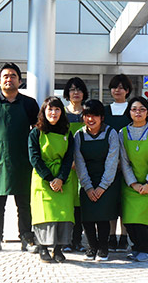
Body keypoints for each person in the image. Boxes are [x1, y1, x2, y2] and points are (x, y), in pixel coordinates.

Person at [0, 62, 39, 254]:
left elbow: (37, 129)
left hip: (22, 160)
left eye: (13, 76)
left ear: (20, 81)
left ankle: (27, 238)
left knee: (24, 203)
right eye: (5, 76)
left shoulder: (29, 103)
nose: (9, 79)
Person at [28, 96, 75, 263]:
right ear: (44, 112)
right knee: (43, 214)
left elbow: (69, 157)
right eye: (50, 109)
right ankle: (42, 247)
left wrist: (61, 178)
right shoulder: (36, 132)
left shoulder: (67, 133)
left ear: (61, 112)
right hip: (43, 178)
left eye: (57, 109)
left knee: (64, 214)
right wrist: (49, 178)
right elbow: (34, 158)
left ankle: (58, 249)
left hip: (63, 178)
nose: (53, 113)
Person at [74, 99, 120, 261]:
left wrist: (102, 187)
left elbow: (112, 162)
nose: (90, 119)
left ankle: (103, 247)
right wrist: (87, 187)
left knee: (102, 216)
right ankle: (92, 247)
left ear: (102, 117)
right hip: (87, 182)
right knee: (87, 217)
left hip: (107, 182)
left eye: (94, 115)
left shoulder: (111, 133)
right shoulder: (78, 135)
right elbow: (79, 163)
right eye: (86, 115)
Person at [119, 96, 148, 262]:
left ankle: (146, 249)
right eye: (134, 109)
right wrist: (133, 183)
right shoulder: (122, 133)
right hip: (130, 183)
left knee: (141, 219)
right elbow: (124, 161)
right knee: (129, 219)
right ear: (129, 112)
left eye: (142, 109)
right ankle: (136, 247)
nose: (138, 112)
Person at [103, 74, 133, 252]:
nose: (117, 90)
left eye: (122, 87)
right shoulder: (105, 110)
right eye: (114, 87)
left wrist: (124, 161)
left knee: (125, 201)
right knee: (110, 200)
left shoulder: (133, 109)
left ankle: (124, 236)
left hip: (129, 162)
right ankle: (111, 235)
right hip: (108, 163)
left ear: (127, 90)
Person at [62, 77, 89, 252]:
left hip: (84, 163)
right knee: (67, 202)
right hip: (65, 164)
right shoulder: (62, 113)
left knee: (80, 204)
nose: (76, 92)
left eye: (79, 89)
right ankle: (65, 240)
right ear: (67, 93)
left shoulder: (88, 113)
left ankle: (78, 239)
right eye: (72, 89)